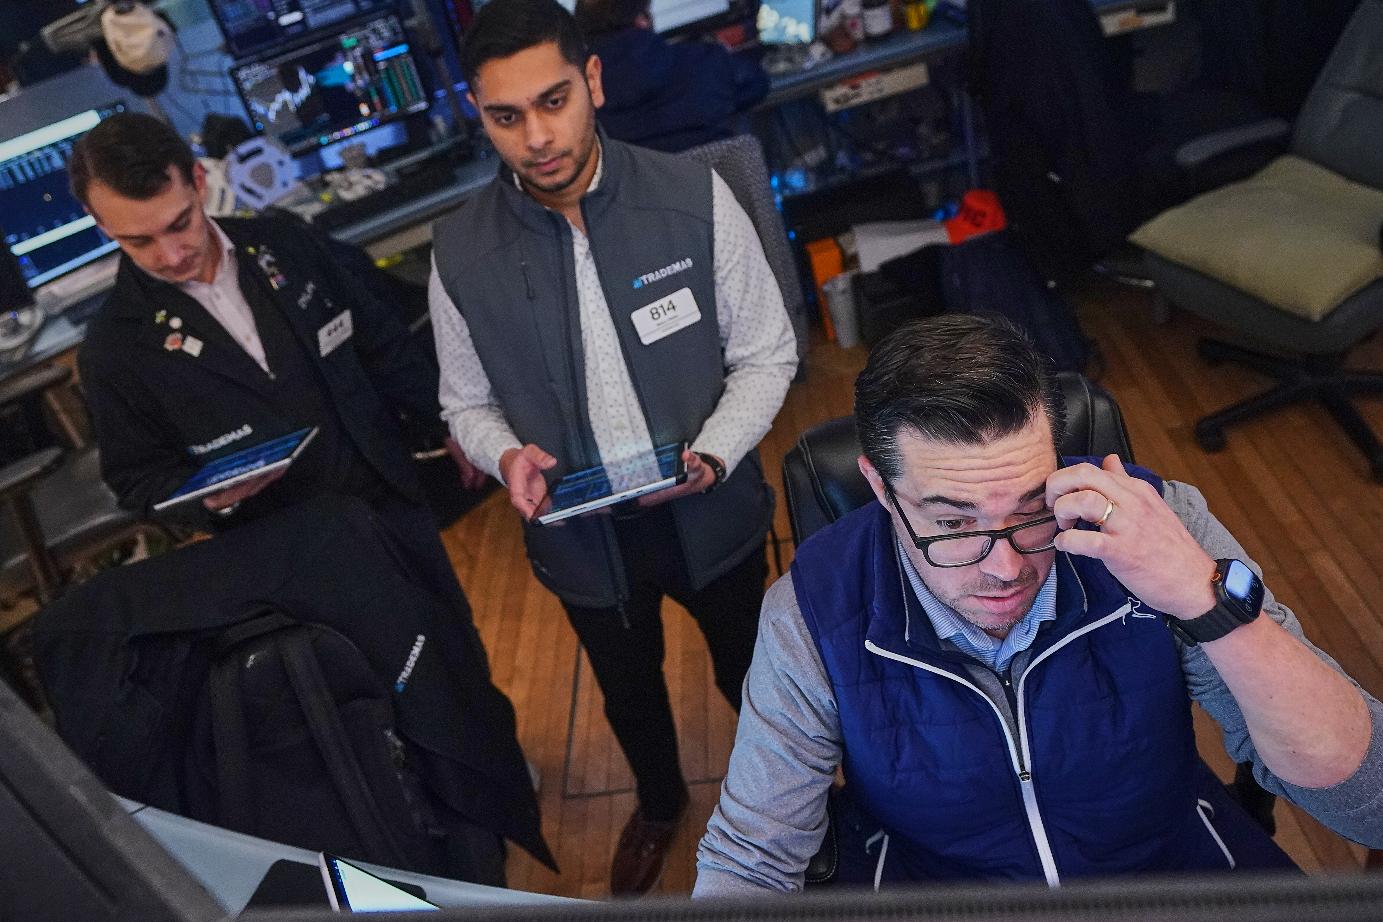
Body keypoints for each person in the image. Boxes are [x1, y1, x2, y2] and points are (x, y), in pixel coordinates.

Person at [696, 315, 1383, 894]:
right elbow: (750, 856)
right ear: (878, 487)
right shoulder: (812, 609)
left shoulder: (1165, 530)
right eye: (954, 522)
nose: (1006, 568)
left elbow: (1366, 803)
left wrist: (1201, 598)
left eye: (1033, 508)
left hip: (1169, 879)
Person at [72, 113, 542, 884]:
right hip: (281, 557)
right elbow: (139, 480)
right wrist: (211, 499)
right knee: (362, 699)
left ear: (198, 180)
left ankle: (494, 784)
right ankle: (423, 845)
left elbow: (380, 340)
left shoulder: (284, 245)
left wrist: (447, 420)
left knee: (451, 653)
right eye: (137, 242)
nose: (171, 252)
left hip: (384, 504)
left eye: (178, 224)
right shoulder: (115, 345)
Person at [430, 0, 797, 895]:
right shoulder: (458, 250)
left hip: (709, 505)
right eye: (506, 116)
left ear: (592, 81)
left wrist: (710, 454)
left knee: (752, 675)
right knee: (626, 691)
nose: (537, 136)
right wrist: (501, 452)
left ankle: (785, 811)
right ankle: (663, 802)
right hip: (581, 532)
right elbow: (464, 401)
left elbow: (766, 352)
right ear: (478, 115)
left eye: (553, 101)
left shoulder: (692, 198)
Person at [574, 0, 769, 152]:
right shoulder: (703, 62)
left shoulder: (578, 100)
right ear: (642, 20)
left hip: (641, 203)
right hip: (719, 198)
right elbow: (758, 85)